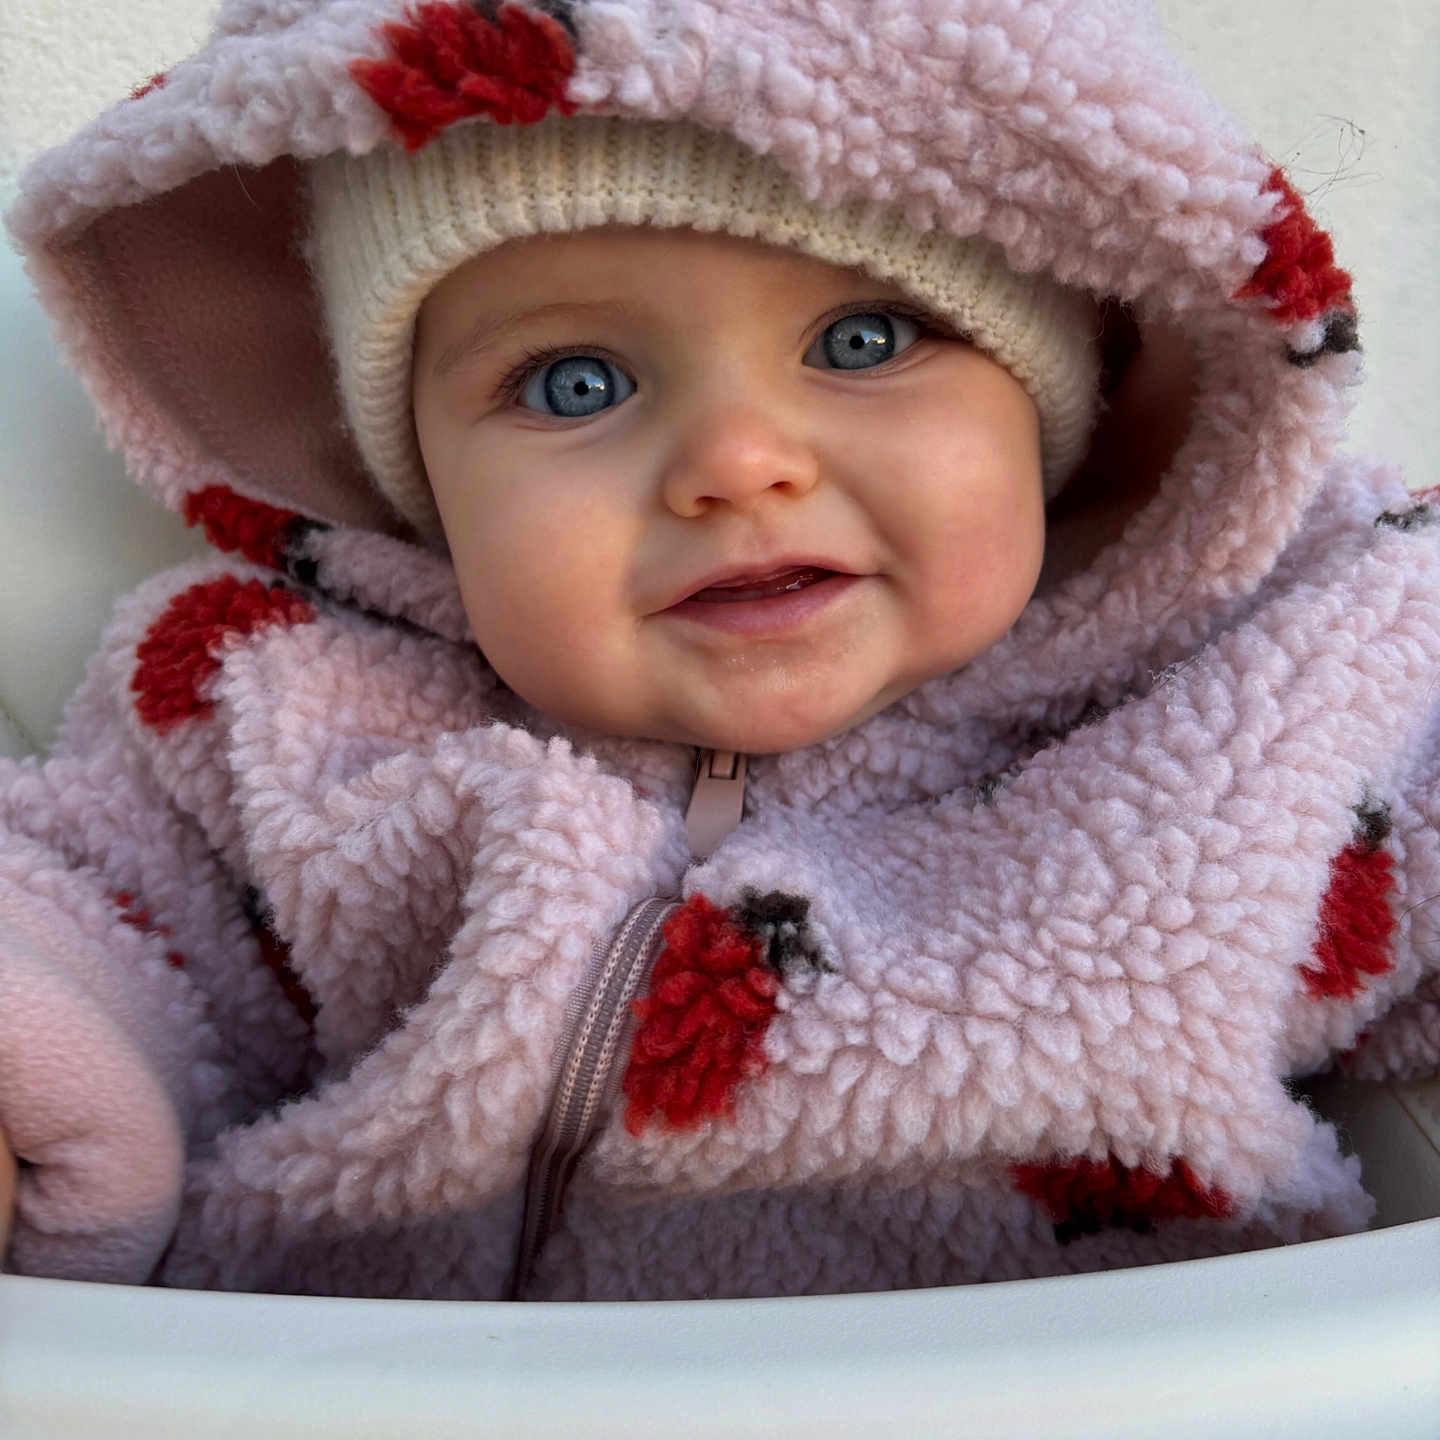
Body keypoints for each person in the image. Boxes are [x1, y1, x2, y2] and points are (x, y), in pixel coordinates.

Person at [1, 0, 1436, 1300]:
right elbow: (80, 912)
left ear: (1059, 410)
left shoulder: (1288, 674)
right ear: (422, 483)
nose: (738, 465)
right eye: (577, 383)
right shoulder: (287, 708)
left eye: (866, 340)